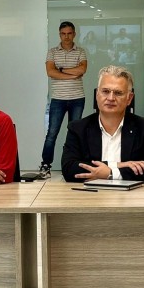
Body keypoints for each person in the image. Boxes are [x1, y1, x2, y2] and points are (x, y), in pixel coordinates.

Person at [61, 65, 144, 183]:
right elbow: (69, 168)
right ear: (97, 94)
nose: (110, 98)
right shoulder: (78, 128)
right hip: (92, 193)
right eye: (105, 91)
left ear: (129, 98)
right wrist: (117, 165)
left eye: (118, 93)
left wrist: (111, 173)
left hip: (132, 194)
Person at [39, 21, 88, 178]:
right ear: (59, 34)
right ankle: (45, 165)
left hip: (77, 98)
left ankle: (72, 165)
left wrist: (60, 69)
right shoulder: (52, 52)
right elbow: (50, 72)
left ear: (74, 34)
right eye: (63, 33)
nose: (66, 37)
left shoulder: (81, 51)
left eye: (69, 33)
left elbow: (82, 69)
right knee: (52, 133)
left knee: (75, 133)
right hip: (58, 99)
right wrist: (72, 75)